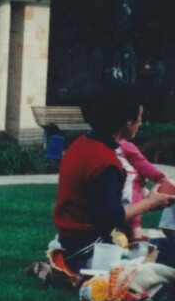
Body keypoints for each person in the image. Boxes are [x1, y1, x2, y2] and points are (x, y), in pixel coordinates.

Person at [52, 84, 175, 270]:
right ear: (128, 122)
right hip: (90, 249)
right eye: (140, 117)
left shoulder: (81, 145)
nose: (141, 123)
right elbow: (108, 217)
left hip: (71, 241)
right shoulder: (105, 161)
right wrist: (150, 203)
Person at [117, 139, 175, 242]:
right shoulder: (121, 146)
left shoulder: (120, 147)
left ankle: (135, 234)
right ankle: (136, 233)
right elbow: (142, 163)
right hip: (122, 201)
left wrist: (158, 177)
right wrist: (159, 177)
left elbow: (142, 163)